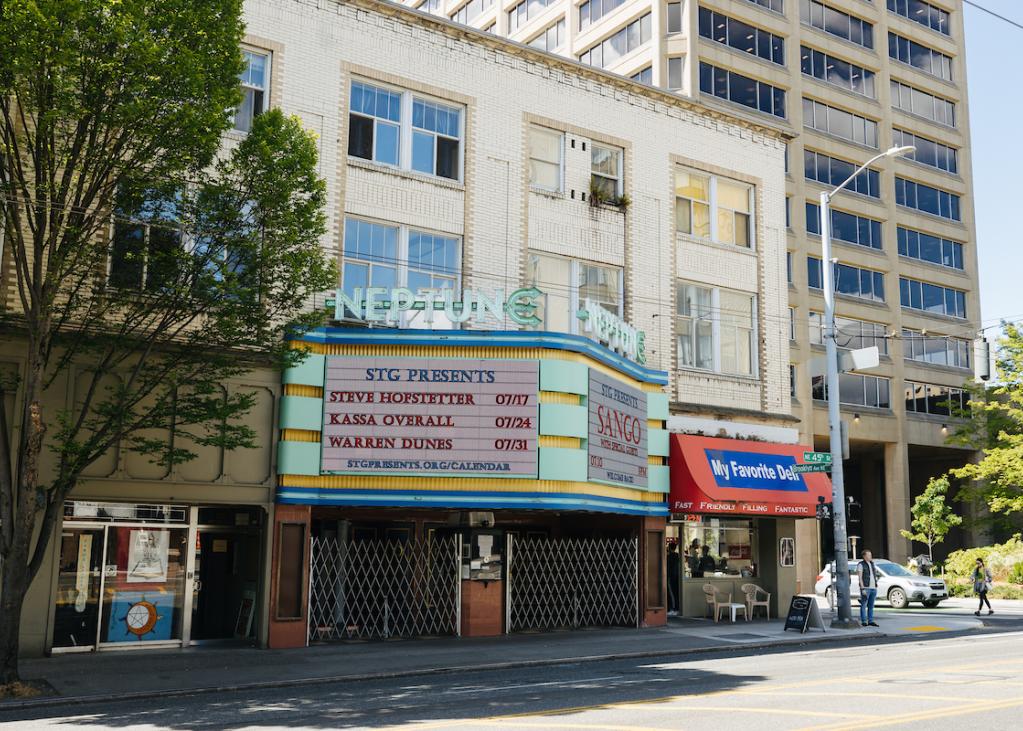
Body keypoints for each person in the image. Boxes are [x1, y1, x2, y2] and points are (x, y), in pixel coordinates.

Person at [857, 549, 880, 627]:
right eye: (869, 555)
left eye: (870, 555)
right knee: (863, 605)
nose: (870, 556)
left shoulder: (872, 563)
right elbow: (860, 577)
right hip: (866, 588)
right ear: (864, 556)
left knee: (871, 605)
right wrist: (862, 588)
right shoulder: (861, 564)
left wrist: (876, 584)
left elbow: (874, 575)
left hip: (873, 588)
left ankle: (870, 621)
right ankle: (864, 621)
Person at [666, 543, 680, 616]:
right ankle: (676, 608)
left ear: (669, 548)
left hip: (671, 576)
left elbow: (668, 567)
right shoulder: (678, 556)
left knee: (672, 593)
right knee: (676, 592)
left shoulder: (669, 557)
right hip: (677, 576)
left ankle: (674, 608)